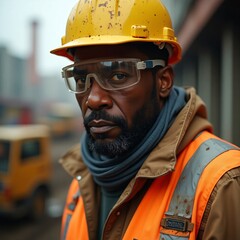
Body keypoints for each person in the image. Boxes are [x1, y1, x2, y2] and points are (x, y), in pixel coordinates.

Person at [50, 0, 240, 239]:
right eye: (81, 80)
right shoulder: (80, 183)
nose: (94, 99)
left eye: (118, 75)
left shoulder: (221, 183)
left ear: (163, 81)